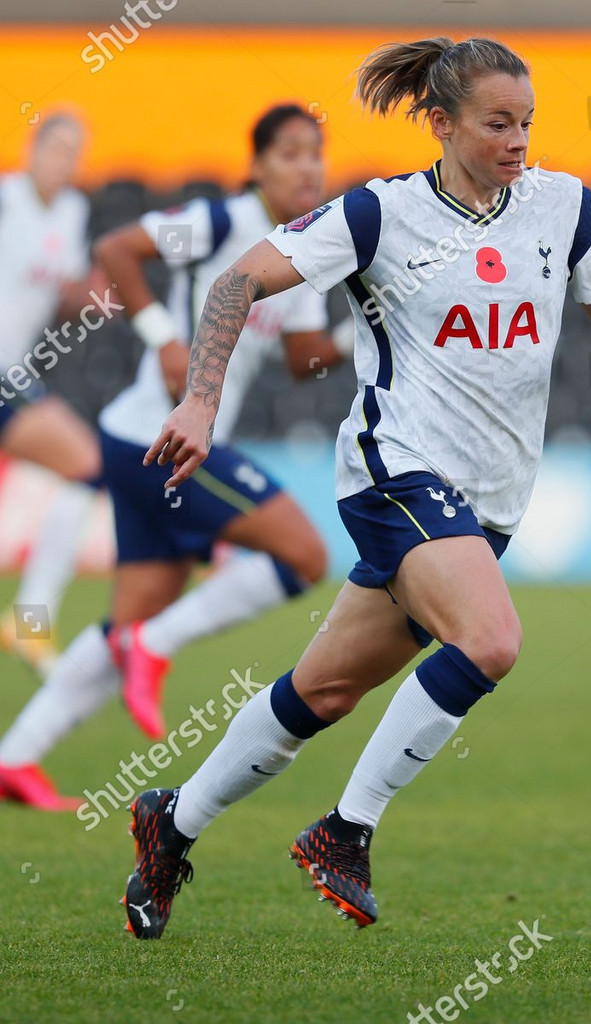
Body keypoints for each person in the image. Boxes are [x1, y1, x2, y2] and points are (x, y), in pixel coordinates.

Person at [121, 36, 591, 940]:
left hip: (488, 504)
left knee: (321, 694)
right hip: (394, 474)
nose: (518, 139)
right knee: (489, 641)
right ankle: (346, 830)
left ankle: (170, 825)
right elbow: (234, 282)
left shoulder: (567, 209)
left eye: (526, 121)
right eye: (497, 123)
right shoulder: (378, 215)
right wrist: (201, 402)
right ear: (441, 123)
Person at [0, 104, 352, 810]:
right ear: (255, 167)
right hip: (160, 441)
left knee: (122, 628)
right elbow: (120, 247)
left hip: (149, 442)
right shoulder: (221, 223)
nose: (307, 167)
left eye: (315, 152)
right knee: (305, 557)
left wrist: (369, 329)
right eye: (289, 153)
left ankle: (15, 757)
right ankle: (153, 644)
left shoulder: (306, 249)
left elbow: (302, 359)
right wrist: (164, 335)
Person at [0, 114, 106, 677]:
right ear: (32, 148)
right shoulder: (7, 200)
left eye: (75, 152)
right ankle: (28, 620)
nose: (65, 162)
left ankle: (30, 620)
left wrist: (94, 294)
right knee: (87, 466)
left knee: (88, 468)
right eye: (58, 148)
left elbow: (61, 294)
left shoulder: (71, 212)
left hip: (11, 378)